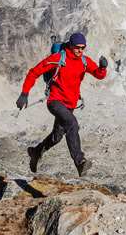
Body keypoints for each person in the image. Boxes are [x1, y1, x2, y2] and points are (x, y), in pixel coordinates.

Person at [16, 32, 108, 176]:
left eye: (83, 48)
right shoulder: (58, 58)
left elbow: (98, 75)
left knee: (57, 137)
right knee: (72, 124)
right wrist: (24, 94)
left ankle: (35, 152)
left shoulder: (84, 61)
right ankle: (80, 162)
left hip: (69, 105)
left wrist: (102, 68)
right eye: (78, 47)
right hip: (55, 101)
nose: (80, 50)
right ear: (71, 46)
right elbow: (34, 72)